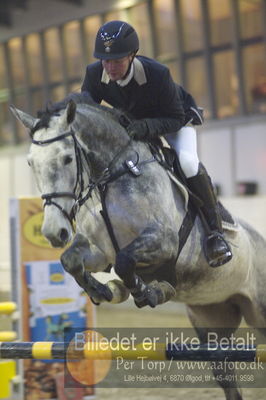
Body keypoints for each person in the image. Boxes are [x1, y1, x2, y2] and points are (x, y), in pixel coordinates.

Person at [81, 20, 232, 268]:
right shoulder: (94, 73)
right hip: (135, 126)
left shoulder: (157, 73)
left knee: (187, 162)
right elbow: (86, 109)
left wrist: (146, 127)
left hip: (175, 120)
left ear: (132, 55)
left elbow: (174, 117)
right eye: (105, 61)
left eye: (117, 60)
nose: (110, 67)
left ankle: (215, 234)